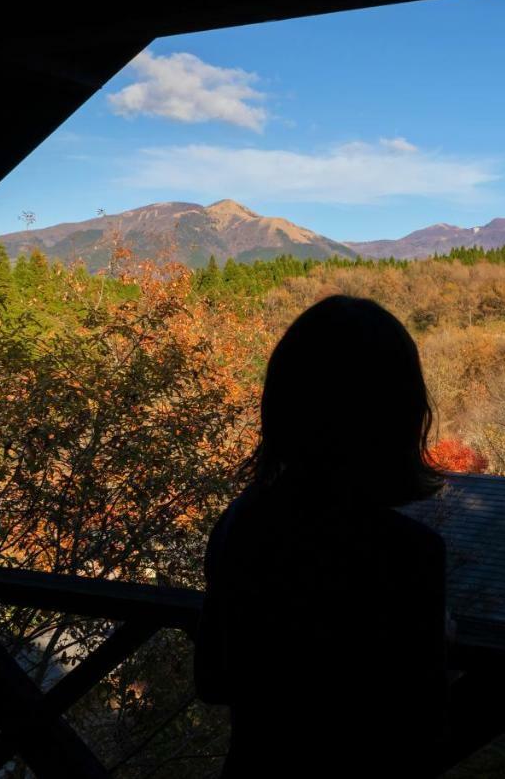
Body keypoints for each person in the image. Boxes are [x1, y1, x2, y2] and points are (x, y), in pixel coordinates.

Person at [194, 295, 450, 777]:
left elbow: (211, 680)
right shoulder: (408, 553)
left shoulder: (242, 523)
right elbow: (424, 724)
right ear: (401, 416)